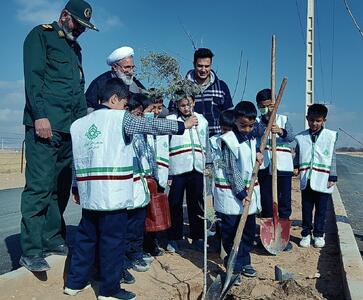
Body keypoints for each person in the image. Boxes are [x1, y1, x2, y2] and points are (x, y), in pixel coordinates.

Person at [64, 79, 198, 300]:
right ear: (115, 99)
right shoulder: (121, 118)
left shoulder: (79, 124)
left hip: (89, 194)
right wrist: (183, 126)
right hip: (113, 194)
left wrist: (76, 187)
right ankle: (109, 290)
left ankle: (74, 283)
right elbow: (150, 125)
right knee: (112, 242)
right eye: (124, 103)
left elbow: (76, 160)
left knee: (86, 238)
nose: (126, 108)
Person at [20, 0, 98, 272]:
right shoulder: (41, 35)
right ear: (64, 16)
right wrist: (40, 116)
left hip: (69, 130)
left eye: (85, 26)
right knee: (40, 187)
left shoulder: (75, 48)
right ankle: (30, 250)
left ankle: (52, 238)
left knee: (61, 188)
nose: (82, 30)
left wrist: (81, 130)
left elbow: (77, 90)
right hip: (45, 126)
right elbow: (33, 79)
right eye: (79, 23)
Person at [218, 101, 262, 283]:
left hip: (249, 195)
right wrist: (242, 195)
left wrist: (259, 154)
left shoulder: (252, 137)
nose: (247, 129)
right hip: (232, 195)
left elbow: (263, 128)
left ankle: (245, 261)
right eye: (243, 125)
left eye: (251, 126)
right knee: (230, 233)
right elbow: (232, 171)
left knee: (247, 232)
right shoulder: (228, 140)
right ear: (235, 121)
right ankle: (233, 265)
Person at [166, 92, 209, 252]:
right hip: (177, 168)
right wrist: (168, 171)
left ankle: (198, 236)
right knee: (175, 203)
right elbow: (165, 146)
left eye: (189, 104)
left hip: (197, 167)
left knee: (197, 202)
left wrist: (207, 165)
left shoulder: (202, 121)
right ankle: (173, 237)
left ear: (194, 103)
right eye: (182, 105)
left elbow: (206, 144)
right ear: (177, 105)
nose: (186, 108)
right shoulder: (171, 121)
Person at [255, 88, 294, 251]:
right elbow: (256, 134)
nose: (265, 109)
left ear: (275, 104)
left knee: (284, 201)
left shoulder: (283, 119)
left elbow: (291, 137)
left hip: (283, 167)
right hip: (265, 168)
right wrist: (267, 125)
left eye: (268, 105)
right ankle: (267, 235)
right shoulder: (256, 121)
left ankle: (283, 234)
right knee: (266, 200)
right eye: (262, 106)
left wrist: (281, 131)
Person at [294, 104, 337, 248]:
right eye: (311, 120)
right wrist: (296, 167)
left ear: (324, 120)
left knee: (321, 210)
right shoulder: (301, 137)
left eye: (318, 121)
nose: (314, 123)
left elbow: (332, 157)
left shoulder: (330, 136)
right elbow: (298, 153)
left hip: (323, 179)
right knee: (306, 208)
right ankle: (306, 234)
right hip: (307, 179)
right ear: (307, 118)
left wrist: (333, 176)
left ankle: (319, 234)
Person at [169, 48, 233, 136]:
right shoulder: (181, 87)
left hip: (216, 139)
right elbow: (172, 113)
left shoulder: (221, 86)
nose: (203, 70)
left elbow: (229, 115)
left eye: (207, 66)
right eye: (200, 66)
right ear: (194, 64)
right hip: (191, 138)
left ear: (211, 65)